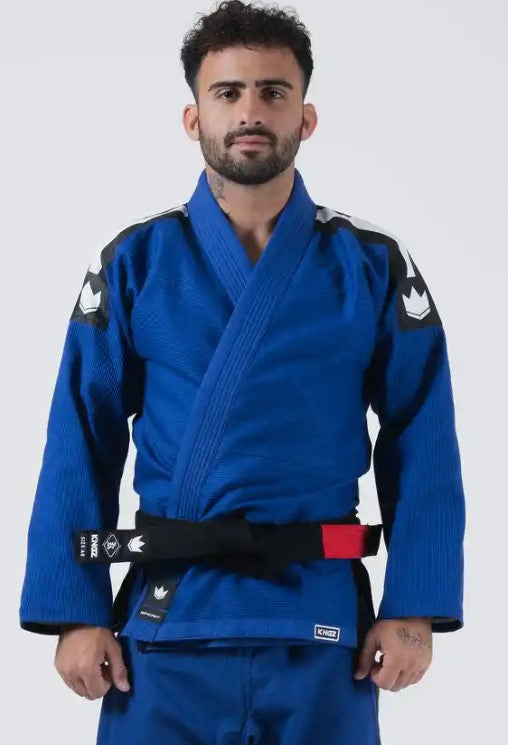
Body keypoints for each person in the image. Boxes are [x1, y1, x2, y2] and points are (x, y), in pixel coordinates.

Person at [19, 1, 466, 743]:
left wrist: (415, 605)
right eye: (227, 92)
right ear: (193, 117)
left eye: (272, 91)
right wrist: (75, 610)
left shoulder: (369, 264)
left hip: (321, 624)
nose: (250, 112)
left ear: (306, 117)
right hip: (167, 621)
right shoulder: (136, 261)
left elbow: (424, 433)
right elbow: (80, 435)